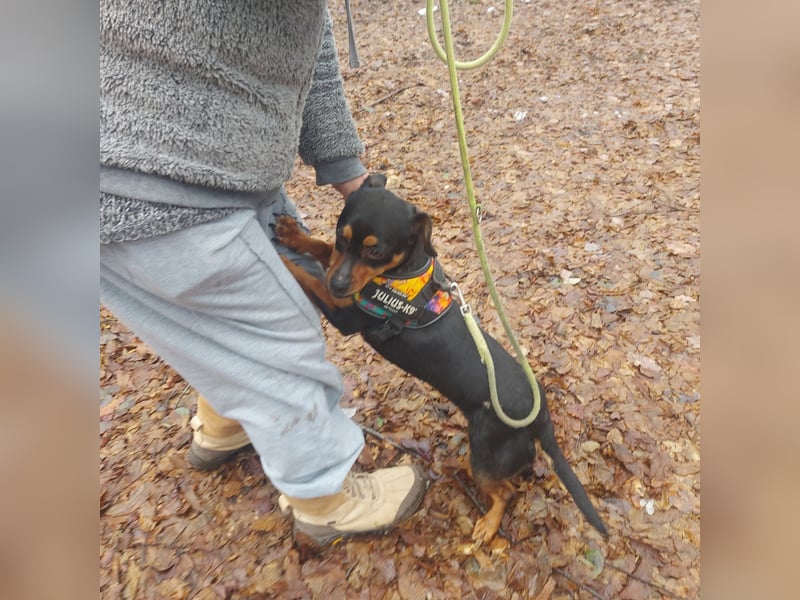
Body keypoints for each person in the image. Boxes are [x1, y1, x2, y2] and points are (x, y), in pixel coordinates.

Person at [99, 0, 427, 545]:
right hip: (148, 178)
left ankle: (225, 426)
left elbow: (303, 37)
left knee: (226, 325)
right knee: (280, 339)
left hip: (196, 170)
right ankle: (324, 500)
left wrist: (350, 175)